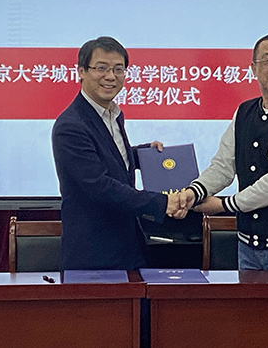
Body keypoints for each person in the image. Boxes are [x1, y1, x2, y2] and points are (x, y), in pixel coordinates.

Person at [182, 33, 268, 271]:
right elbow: (223, 166)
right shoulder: (244, 112)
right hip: (248, 244)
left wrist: (224, 205)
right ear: (253, 69)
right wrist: (195, 191)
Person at [52, 36, 188, 271]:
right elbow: (99, 186)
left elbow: (109, 157)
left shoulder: (112, 114)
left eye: (118, 69)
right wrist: (163, 202)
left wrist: (141, 155)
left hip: (128, 246)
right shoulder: (71, 126)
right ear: (81, 71)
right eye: (101, 68)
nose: (111, 76)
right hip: (94, 254)